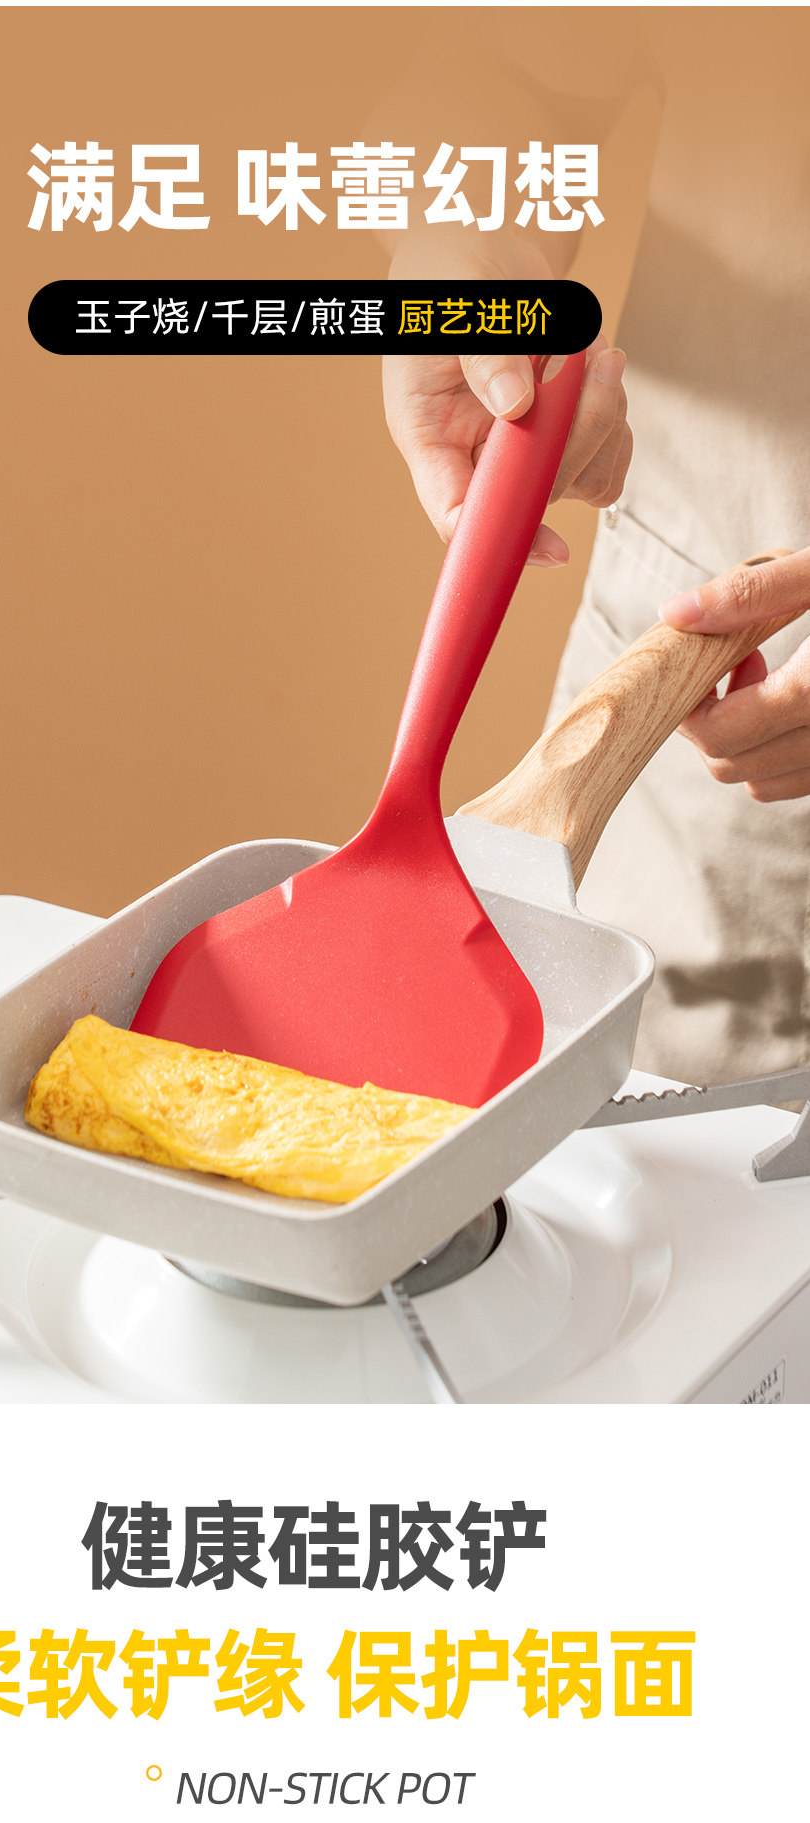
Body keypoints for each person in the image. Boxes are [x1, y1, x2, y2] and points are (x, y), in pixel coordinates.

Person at [380, 8, 810, 1086]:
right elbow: (511, 59)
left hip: (702, 678)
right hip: (689, 713)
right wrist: (462, 236)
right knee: (625, 1128)